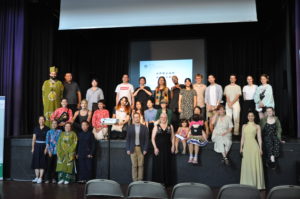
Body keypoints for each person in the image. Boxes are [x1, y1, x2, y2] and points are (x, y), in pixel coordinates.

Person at [240, 112, 265, 190]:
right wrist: (241, 147)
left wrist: (260, 148)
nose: (250, 117)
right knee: (247, 165)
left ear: (254, 117)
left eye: (252, 116)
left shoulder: (257, 126)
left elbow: (259, 138)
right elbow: (242, 138)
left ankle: (256, 185)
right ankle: (246, 184)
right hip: (246, 147)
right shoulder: (244, 126)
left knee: (254, 165)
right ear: (247, 117)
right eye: (249, 116)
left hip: (254, 147)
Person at [152, 113, 175, 186]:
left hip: (168, 148)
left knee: (167, 164)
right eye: (162, 117)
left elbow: (173, 137)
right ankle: (158, 183)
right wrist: (155, 148)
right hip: (158, 149)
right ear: (160, 118)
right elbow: (152, 138)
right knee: (159, 165)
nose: (163, 118)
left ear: (167, 118)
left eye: (165, 117)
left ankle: (167, 182)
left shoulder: (170, 126)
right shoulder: (156, 126)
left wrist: (173, 146)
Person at [126, 112, 149, 181]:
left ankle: (140, 180)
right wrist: (127, 149)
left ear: (140, 117)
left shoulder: (144, 128)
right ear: (133, 118)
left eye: (137, 117)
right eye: (135, 117)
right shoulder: (130, 127)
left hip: (141, 148)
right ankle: (134, 181)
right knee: (134, 166)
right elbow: (128, 139)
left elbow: (146, 140)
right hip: (132, 148)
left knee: (141, 165)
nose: (136, 118)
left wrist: (145, 149)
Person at [31, 116, 50, 184]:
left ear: (44, 121)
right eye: (40, 119)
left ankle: (40, 178)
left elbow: (48, 140)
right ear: (38, 121)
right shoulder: (36, 128)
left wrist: (46, 148)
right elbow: (34, 139)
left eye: (42, 119)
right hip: (37, 146)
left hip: (44, 146)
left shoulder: (47, 128)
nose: (41, 121)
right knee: (36, 162)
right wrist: (33, 148)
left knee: (42, 162)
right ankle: (36, 177)